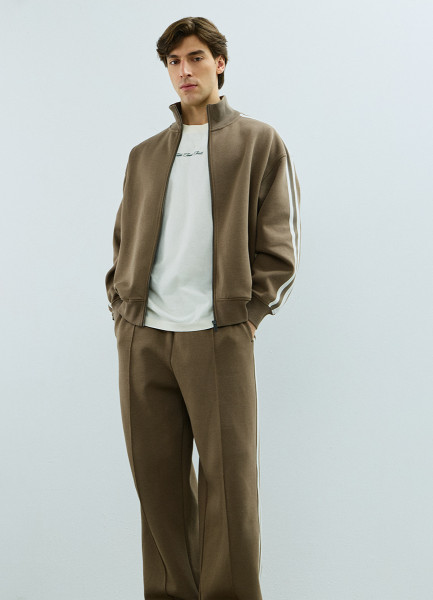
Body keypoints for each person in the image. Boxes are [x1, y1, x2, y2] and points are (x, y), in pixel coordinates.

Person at [105, 16, 301, 600]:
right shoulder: (144, 155)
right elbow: (122, 241)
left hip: (219, 335)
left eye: (194, 58)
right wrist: (122, 310)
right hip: (144, 338)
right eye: (173, 62)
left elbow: (281, 247)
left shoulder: (258, 141)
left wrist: (248, 315)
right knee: (158, 490)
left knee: (230, 491)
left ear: (219, 62)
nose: (183, 71)